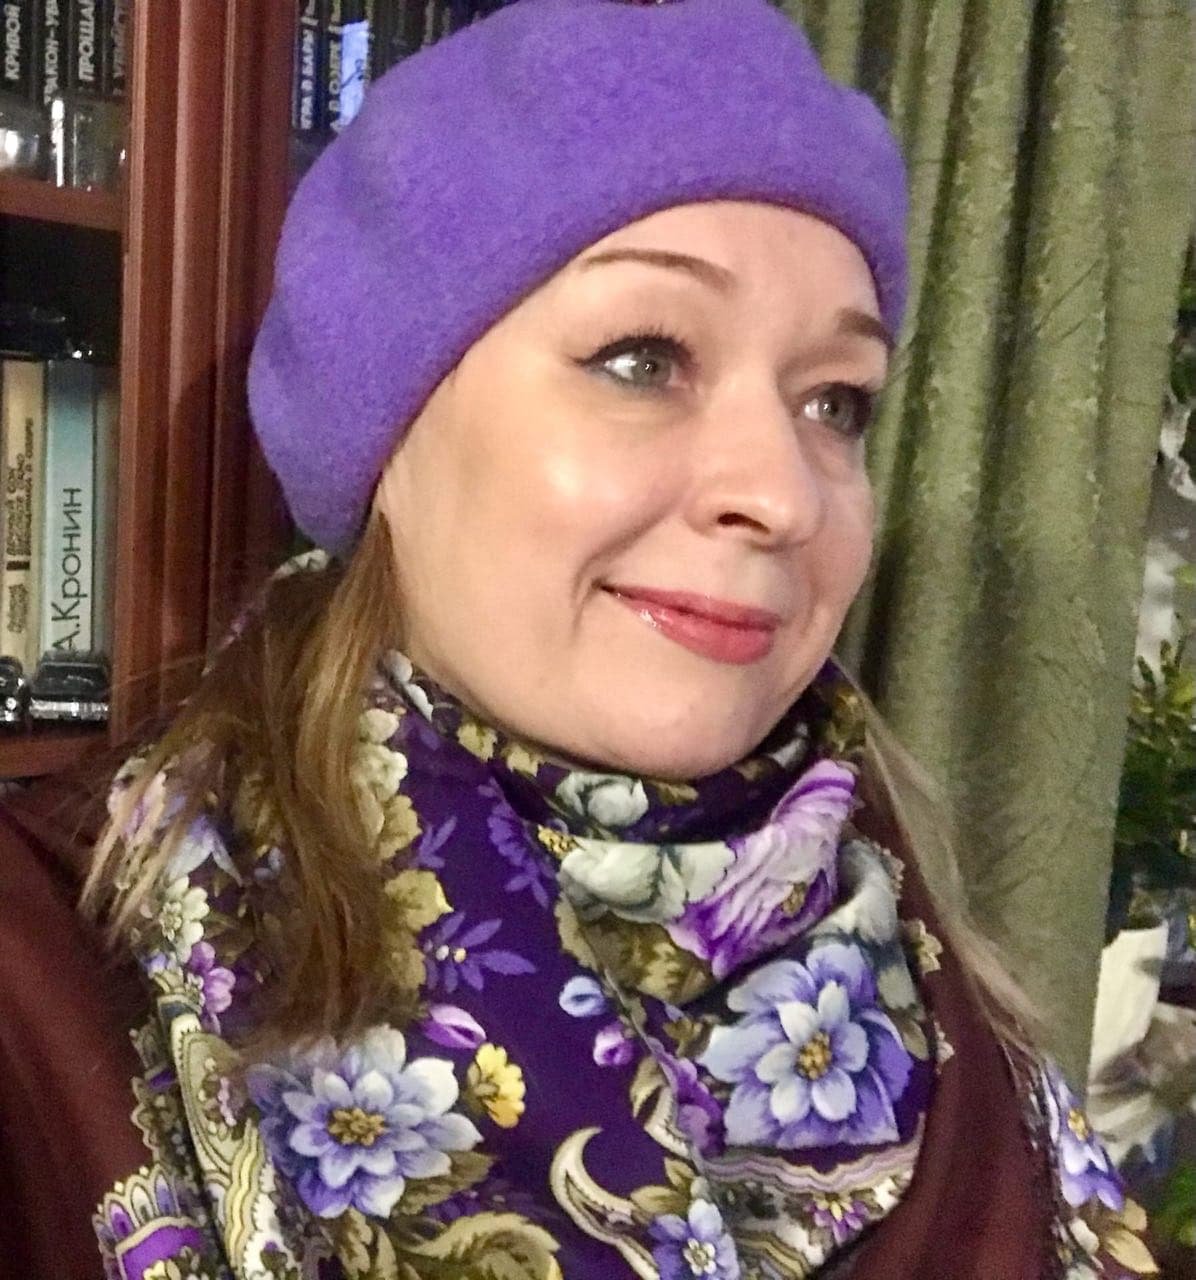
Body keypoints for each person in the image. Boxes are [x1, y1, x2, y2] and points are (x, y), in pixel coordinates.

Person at [0, 0, 1161, 1276]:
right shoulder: (45, 988)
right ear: (385, 432)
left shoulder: (950, 1009)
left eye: (835, 400)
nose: (779, 493)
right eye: (641, 359)